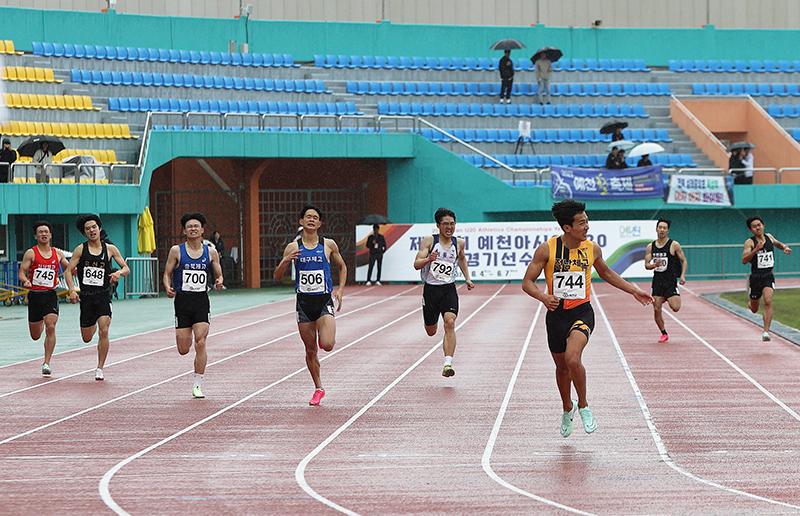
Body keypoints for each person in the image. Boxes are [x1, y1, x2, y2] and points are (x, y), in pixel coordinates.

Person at [521, 200, 653, 437]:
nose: (587, 227)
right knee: (561, 368)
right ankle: (566, 407)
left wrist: (634, 290)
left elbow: (607, 273)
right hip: (556, 315)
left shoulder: (592, 249)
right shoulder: (546, 250)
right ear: (567, 227)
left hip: (582, 311)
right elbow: (527, 282)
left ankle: (583, 404)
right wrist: (543, 297)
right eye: (581, 223)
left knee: (573, 358)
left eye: (587, 221)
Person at [274, 205, 347, 406]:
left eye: (315, 217)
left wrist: (340, 290)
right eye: (308, 217)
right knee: (310, 350)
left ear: (320, 223)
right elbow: (277, 276)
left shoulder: (328, 244)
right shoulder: (293, 247)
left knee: (329, 345)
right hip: (304, 303)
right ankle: (318, 388)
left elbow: (342, 266)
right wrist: (286, 261)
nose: (311, 220)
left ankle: (323, 334)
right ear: (301, 221)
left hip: (323, 300)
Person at [163, 212, 224, 398]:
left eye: (196, 226)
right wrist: (167, 287)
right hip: (182, 302)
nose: (193, 228)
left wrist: (220, 280)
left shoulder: (210, 252)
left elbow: (218, 273)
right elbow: (167, 273)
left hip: (200, 301)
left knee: (201, 341)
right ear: (184, 231)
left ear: (202, 230)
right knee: (183, 349)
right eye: (189, 226)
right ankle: (190, 355)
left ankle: (197, 384)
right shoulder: (176, 251)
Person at [63, 215, 130, 380]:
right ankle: (91, 322)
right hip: (86, 297)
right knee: (86, 338)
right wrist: (72, 290)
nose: (91, 230)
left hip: (103, 295)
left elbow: (126, 268)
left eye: (94, 227)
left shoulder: (110, 249)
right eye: (88, 228)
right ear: (84, 233)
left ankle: (100, 367)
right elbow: (68, 271)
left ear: (99, 229)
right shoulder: (80, 249)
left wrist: (118, 273)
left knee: (104, 330)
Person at [413, 207, 475, 377]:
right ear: (438, 225)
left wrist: (467, 278)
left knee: (450, 322)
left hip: (449, 289)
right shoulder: (429, 241)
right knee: (431, 331)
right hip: (431, 291)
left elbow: (461, 258)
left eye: (452, 224)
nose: (450, 227)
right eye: (446, 224)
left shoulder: (459, 243)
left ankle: (448, 364)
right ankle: (430, 322)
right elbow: (416, 264)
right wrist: (428, 259)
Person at [18, 220, 70, 377]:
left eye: (46, 231)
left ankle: (46, 363)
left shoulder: (57, 254)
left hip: (50, 295)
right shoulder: (31, 253)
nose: (43, 234)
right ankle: (39, 320)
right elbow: (22, 272)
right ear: (35, 236)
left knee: (51, 326)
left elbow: (69, 268)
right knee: (35, 336)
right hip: (35, 296)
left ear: (50, 235)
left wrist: (73, 270)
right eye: (40, 232)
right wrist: (25, 280)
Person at [741, 215, 791, 341]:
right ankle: (751, 303)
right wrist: (755, 250)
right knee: (754, 308)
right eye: (754, 226)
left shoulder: (769, 236)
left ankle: (766, 332)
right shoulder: (750, 242)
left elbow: (777, 244)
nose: (757, 228)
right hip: (756, 277)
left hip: (768, 275)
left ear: (763, 226)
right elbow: (744, 260)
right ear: (751, 230)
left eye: (759, 225)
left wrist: (784, 247)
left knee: (768, 301)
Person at [644, 218, 687, 342]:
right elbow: (647, 265)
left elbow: (684, 260)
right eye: (660, 227)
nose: (662, 230)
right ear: (656, 229)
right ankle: (664, 333)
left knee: (676, 307)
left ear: (668, 231)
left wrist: (682, 276)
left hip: (670, 281)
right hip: (657, 281)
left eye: (664, 228)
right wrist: (654, 265)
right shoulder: (650, 247)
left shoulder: (674, 245)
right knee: (656, 309)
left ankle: (667, 297)